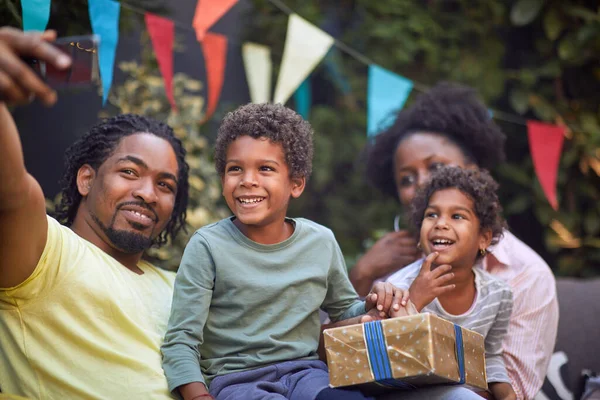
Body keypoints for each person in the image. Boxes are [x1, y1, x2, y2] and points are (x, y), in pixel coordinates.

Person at [0, 27, 190, 398]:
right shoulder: (46, 251)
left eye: (165, 185)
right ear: (86, 179)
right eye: (130, 172)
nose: (148, 194)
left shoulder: (182, 286)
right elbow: (10, 190)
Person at [357, 82, 558, 399]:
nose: (423, 183)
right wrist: (362, 275)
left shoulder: (525, 275)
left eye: (436, 166)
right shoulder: (391, 269)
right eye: (406, 179)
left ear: (475, 173)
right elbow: (351, 356)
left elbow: (512, 389)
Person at [387, 166, 516, 400]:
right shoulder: (399, 286)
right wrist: (414, 300)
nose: (440, 224)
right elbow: (389, 354)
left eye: (457, 216)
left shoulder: (499, 295)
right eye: (431, 214)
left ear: (483, 238)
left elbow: (489, 355)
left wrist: (505, 391)